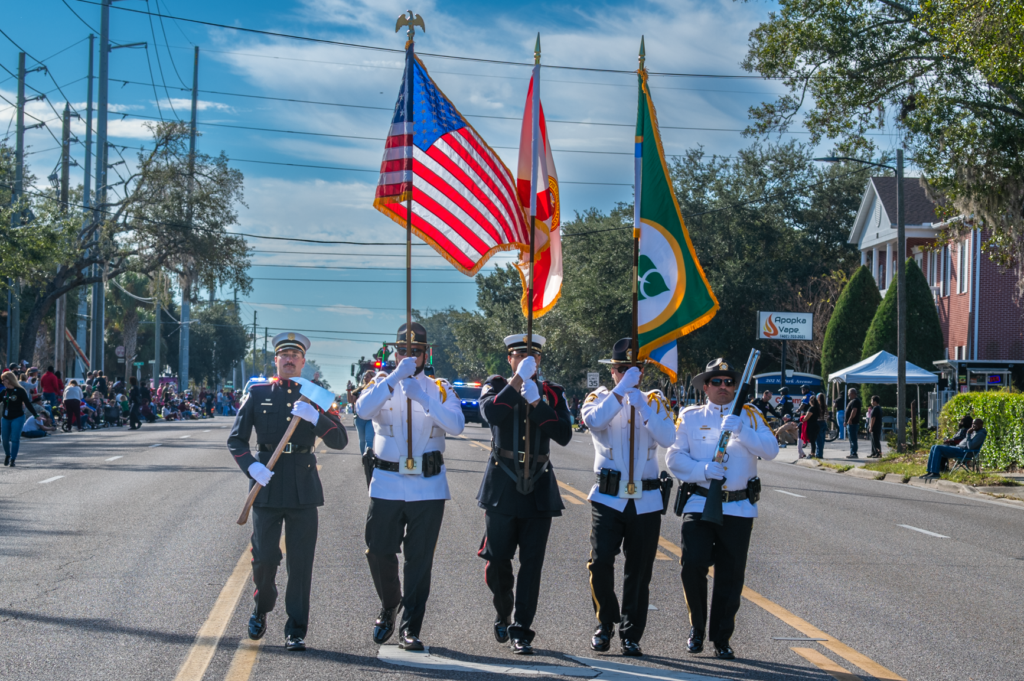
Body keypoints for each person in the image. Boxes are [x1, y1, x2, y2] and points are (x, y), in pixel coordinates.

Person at [228, 331, 347, 652]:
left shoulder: (317, 396)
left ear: (304, 362)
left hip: (303, 486)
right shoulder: (258, 392)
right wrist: (252, 467)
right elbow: (236, 440)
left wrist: (318, 419)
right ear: (276, 360)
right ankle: (261, 606)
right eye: (284, 355)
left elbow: (340, 440)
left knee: (301, 563)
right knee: (264, 560)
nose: (290, 360)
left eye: (295, 356)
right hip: (266, 483)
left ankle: (296, 629)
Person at [355, 322, 464, 651]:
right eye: (403, 350)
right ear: (394, 351)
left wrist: (425, 399)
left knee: (419, 560)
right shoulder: (379, 383)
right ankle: (391, 603)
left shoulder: (438, 387)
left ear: (424, 353)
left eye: (415, 351)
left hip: (428, 486)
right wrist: (393, 380)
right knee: (378, 548)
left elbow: (457, 426)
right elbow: (361, 410)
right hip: (387, 481)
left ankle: (410, 627)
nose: (409, 356)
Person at [665, 357, 779, 660]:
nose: (724, 387)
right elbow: (674, 459)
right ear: (705, 386)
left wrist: (743, 430)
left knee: (730, 576)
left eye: (730, 382)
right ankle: (697, 629)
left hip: (739, 506)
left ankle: (721, 637)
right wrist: (703, 470)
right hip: (700, 501)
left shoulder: (751, 415)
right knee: (692, 565)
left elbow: (771, 451)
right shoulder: (689, 417)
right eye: (717, 381)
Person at [477, 333, 573, 655]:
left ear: (540, 360)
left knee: (532, 566)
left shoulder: (552, 393)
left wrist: (537, 402)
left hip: (538, 488)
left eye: (531, 356)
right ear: (510, 358)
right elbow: (492, 415)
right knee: (498, 561)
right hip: (502, 487)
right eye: (519, 356)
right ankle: (503, 610)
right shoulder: (496, 385)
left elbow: (562, 435)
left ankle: (521, 630)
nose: (525, 360)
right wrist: (517, 382)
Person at [580, 338, 676, 657]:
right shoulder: (600, 397)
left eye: (632, 370)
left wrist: (642, 405)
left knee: (639, 570)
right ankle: (606, 623)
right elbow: (593, 421)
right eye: (620, 369)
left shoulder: (654, 400)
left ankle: (631, 633)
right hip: (608, 498)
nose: (625, 374)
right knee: (601, 562)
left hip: (646, 500)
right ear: (613, 373)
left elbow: (667, 437)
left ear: (642, 372)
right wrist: (621, 393)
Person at [922, 417, 986, 478]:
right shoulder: (974, 431)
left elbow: (970, 447)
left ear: (981, 425)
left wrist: (968, 434)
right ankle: (930, 471)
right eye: (973, 423)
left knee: (938, 448)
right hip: (959, 449)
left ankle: (935, 472)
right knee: (934, 447)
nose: (973, 425)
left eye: (975, 424)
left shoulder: (980, 434)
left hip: (964, 452)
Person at [2, 370, 39, 467]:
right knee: (4, 439)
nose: (2, 382)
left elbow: (27, 403)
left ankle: (13, 459)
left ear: (9, 380)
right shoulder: (4, 392)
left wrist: (36, 415)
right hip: (6, 418)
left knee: (15, 439)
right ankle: (7, 455)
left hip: (18, 417)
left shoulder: (20, 391)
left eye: (4, 380)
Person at [350, 369, 377, 454]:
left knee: (369, 439)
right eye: (364, 376)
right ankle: (364, 458)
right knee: (362, 440)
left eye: (367, 376)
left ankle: (368, 458)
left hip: (371, 418)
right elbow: (351, 400)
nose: (365, 378)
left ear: (373, 378)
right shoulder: (359, 390)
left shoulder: (376, 389)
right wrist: (348, 390)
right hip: (359, 418)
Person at [844, 389, 862, 459]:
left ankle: (854, 453)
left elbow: (854, 410)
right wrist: (846, 421)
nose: (848, 395)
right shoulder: (852, 401)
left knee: (853, 439)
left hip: (853, 423)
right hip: (850, 423)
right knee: (851, 439)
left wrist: (850, 419)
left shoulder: (855, 401)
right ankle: (852, 452)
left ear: (853, 393)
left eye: (849, 393)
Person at [814, 393, 828, 458]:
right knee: (822, 440)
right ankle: (821, 453)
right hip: (824, 422)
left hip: (818, 423)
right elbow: (827, 416)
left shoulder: (817, 406)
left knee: (818, 440)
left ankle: (818, 454)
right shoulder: (825, 406)